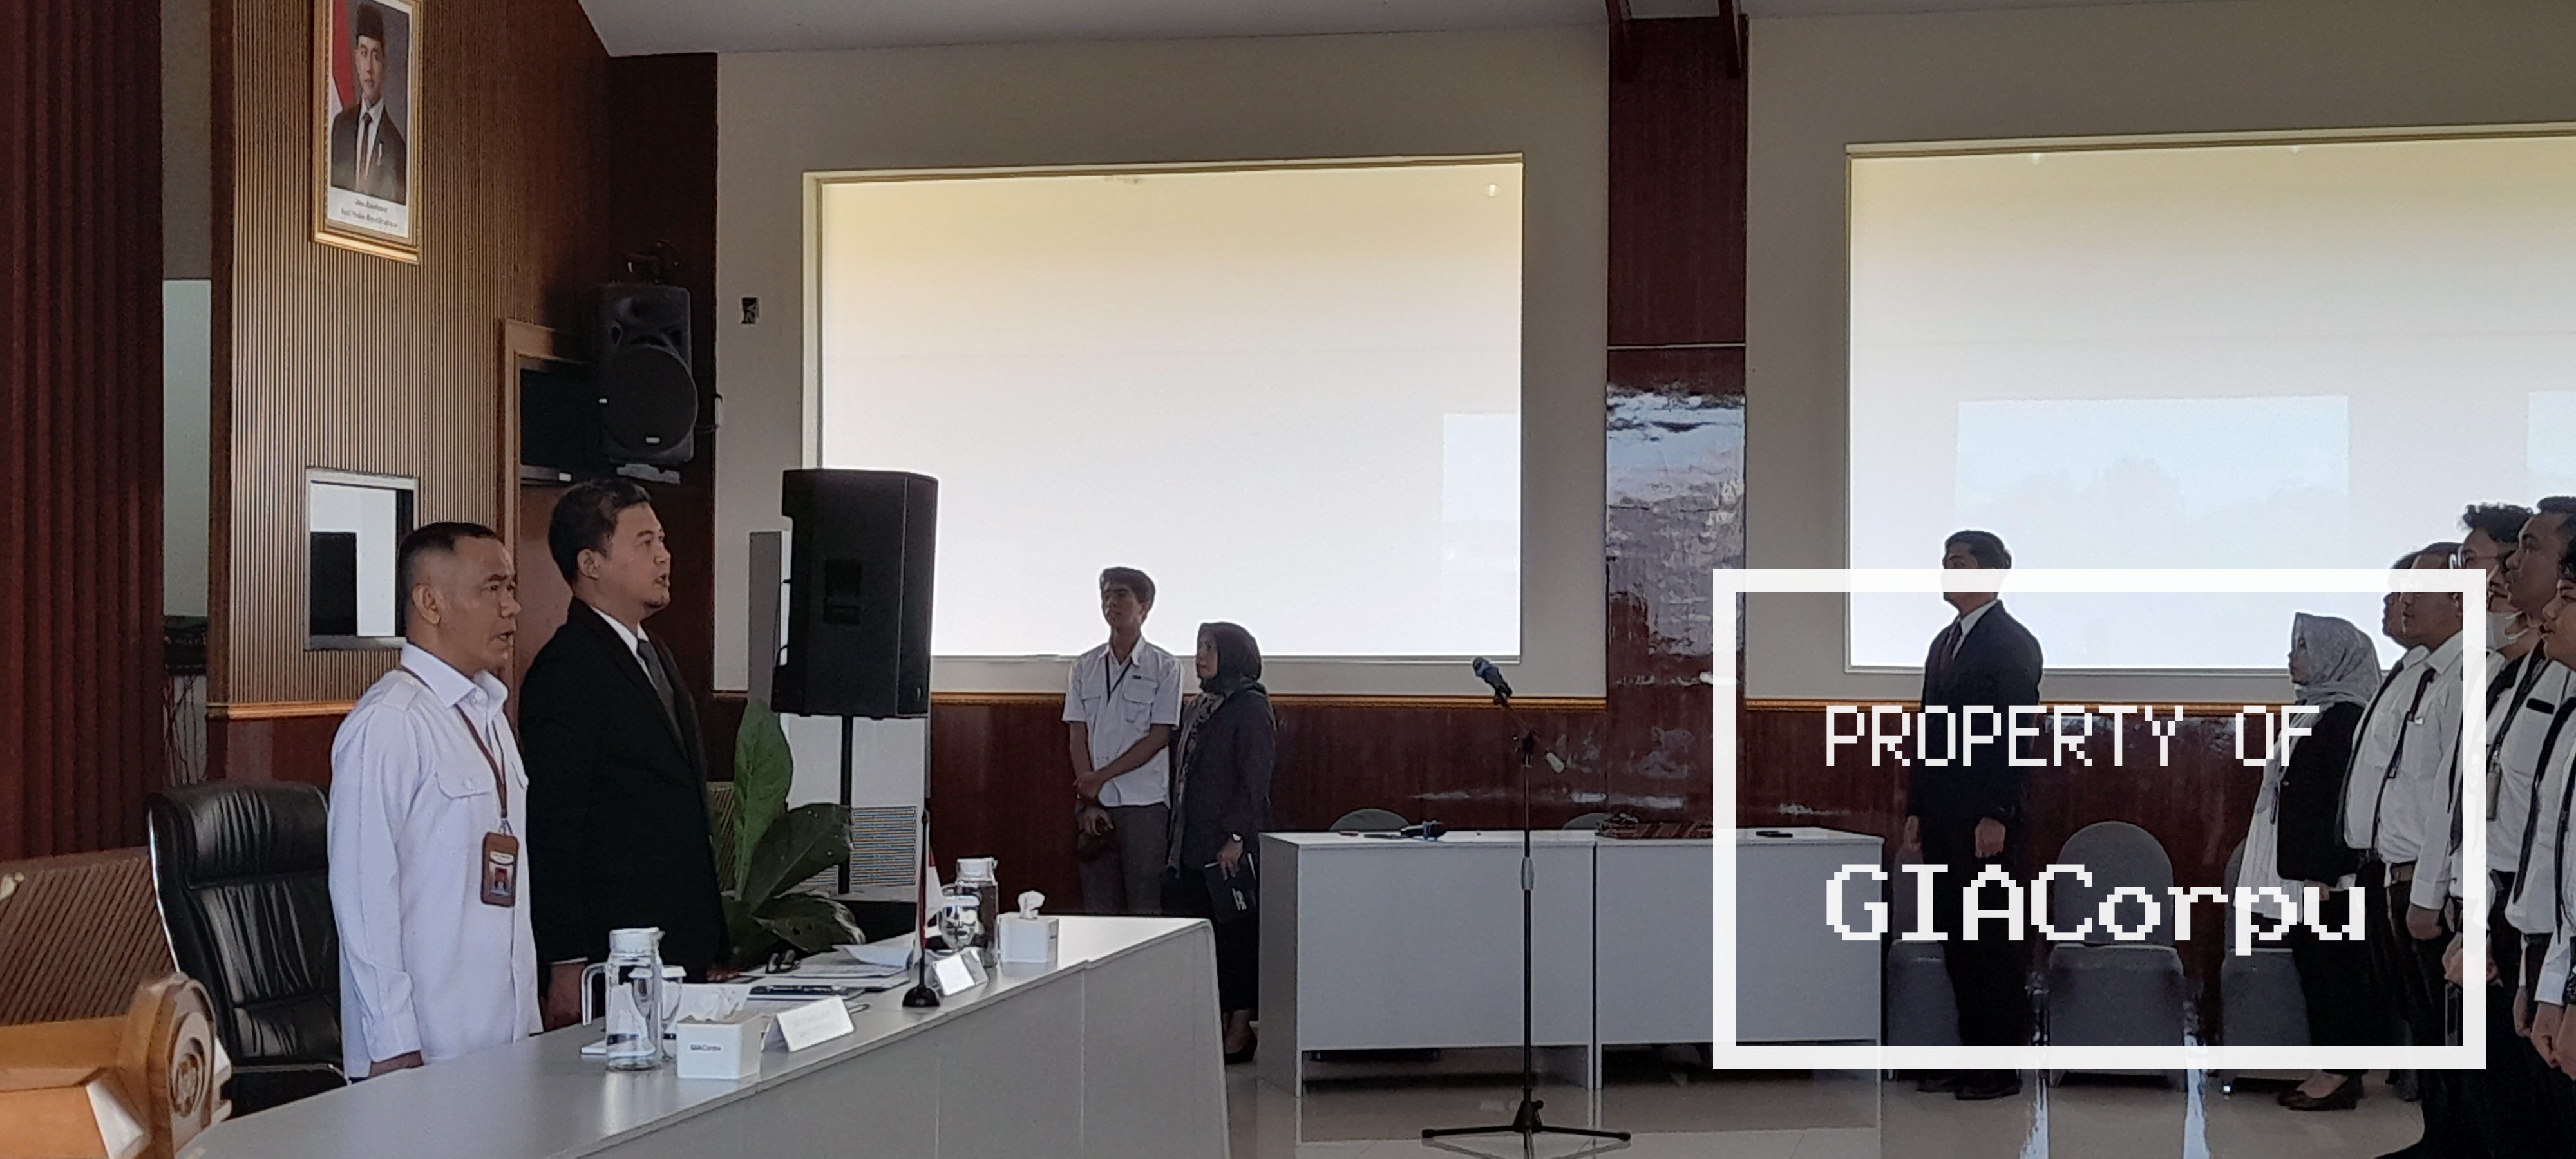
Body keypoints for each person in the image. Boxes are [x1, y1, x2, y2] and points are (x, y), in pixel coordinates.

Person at [328, 522, 536, 1077]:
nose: (512, 608)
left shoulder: (489, 715)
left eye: (511, 589)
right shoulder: (389, 722)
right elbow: (362, 894)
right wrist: (392, 1040)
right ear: (430, 603)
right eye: (492, 589)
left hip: (505, 1041)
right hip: (425, 1050)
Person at [523, 479, 728, 1029]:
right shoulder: (566, 669)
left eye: (662, 539)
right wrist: (566, 959)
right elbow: (554, 824)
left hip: (675, 939)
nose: (664, 556)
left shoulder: (653, 651)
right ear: (590, 563)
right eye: (645, 542)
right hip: (614, 950)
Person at [1900, 529, 2041, 1102]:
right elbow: (1929, 732)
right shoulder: (1945, 642)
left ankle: (2000, 1067)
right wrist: (1916, 808)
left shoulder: (2012, 643)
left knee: (1990, 941)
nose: (1946, 570)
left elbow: (2014, 736)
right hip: (1942, 816)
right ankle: (1971, 1057)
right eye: (1944, 561)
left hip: (1985, 821)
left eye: (1958, 562)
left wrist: (1996, 812)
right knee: (1957, 940)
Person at [2367, 545, 2472, 1159]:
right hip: (2398, 872)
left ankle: (2455, 1140)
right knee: (2425, 1023)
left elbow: (2452, 799)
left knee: (2451, 1030)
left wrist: (2430, 888)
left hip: (2433, 882)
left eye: (2416, 590)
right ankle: (2439, 1136)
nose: (2402, 601)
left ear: (2459, 598)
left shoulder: (2464, 677)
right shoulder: (2417, 672)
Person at [2263, 613, 2385, 1111]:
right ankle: (2330, 1065)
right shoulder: (2315, 712)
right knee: (2316, 969)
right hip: (2309, 872)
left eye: (2304, 648)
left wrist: (2324, 871)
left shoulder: (2345, 718)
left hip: (2332, 877)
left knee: (2336, 973)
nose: (2292, 658)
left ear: (2335, 656)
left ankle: (2341, 1073)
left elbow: (2342, 802)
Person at [1161, 622, 1274, 1063]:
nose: (1201, 656)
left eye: (1210, 648)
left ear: (1234, 654)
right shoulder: (1202, 704)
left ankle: (1241, 1030)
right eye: (1199, 647)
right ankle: (1218, 1022)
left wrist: (1237, 836)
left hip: (1229, 845)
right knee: (1208, 936)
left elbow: (1255, 778)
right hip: (1192, 841)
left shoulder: (1250, 706)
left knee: (1237, 939)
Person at [1066, 567, 1185, 915]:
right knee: (1098, 907)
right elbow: (1077, 732)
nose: (1111, 603)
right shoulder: (1085, 666)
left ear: (1144, 606)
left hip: (1143, 803)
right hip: (1095, 802)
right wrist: (1089, 795)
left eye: (1121, 595)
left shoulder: (1165, 667)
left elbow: (1159, 736)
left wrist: (1100, 777)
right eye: (1105, 595)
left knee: (1145, 904)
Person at [326, 3, 406, 203]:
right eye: (363, 53)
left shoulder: (397, 146)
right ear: (356, 60)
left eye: (376, 56)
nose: (369, 67)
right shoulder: (340, 126)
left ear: (385, 64)